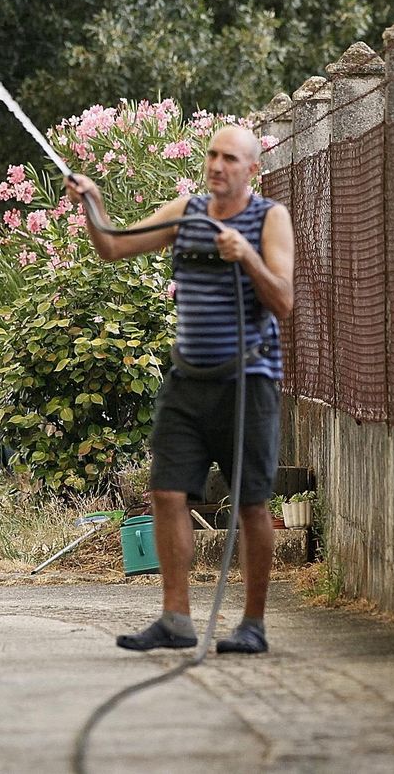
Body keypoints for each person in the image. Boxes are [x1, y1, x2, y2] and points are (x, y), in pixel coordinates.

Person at [65, 124, 294, 655]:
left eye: (230, 158)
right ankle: (176, 618)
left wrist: (248, 256)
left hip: (248, 383)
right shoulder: (185, 211)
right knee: (165, 492)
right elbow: (113, 247)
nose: (217, 165)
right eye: (212, 154)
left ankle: (253, 624)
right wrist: (93, 204)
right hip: (187, 382)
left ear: (252, 169)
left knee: (252, 504)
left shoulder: (270, 219)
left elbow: (283, 302)